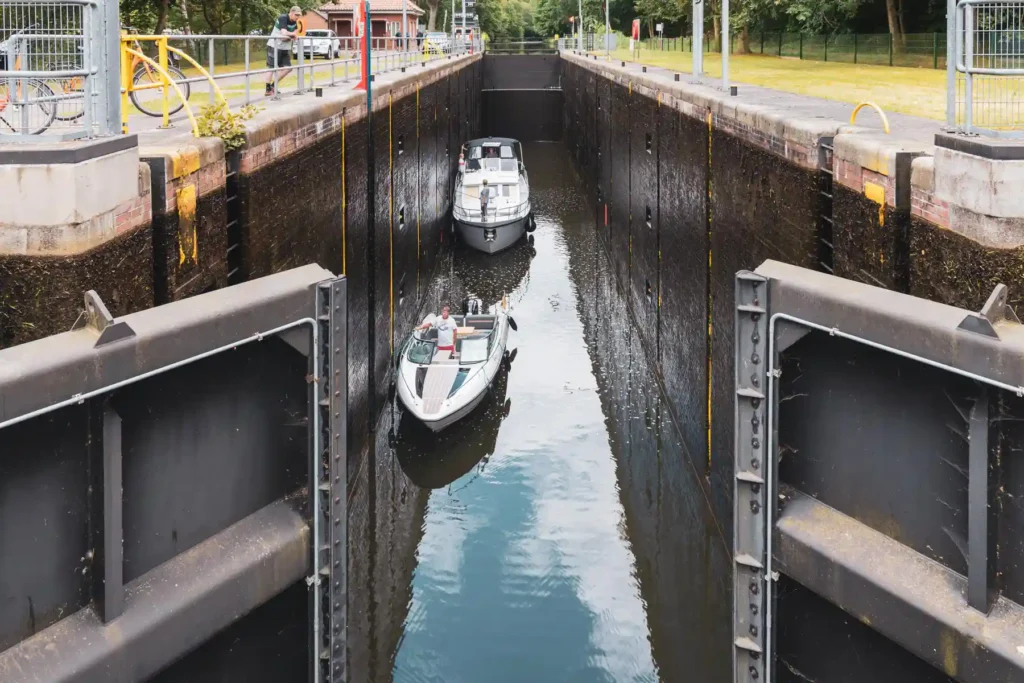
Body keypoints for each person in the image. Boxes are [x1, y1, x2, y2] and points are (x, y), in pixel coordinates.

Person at [265, 6, 302, 97]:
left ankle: (273, 85)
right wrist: (291, 35)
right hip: (274, 46)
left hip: (285, 48)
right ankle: (267, 89)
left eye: (299, 15)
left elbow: (294, 35)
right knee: (272, 67)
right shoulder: (283, 18)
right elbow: (284, 33)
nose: (297, 17)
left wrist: (291, 36)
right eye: (296, 15)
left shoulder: (294, 22)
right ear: (291, 12)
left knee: (288, 68)